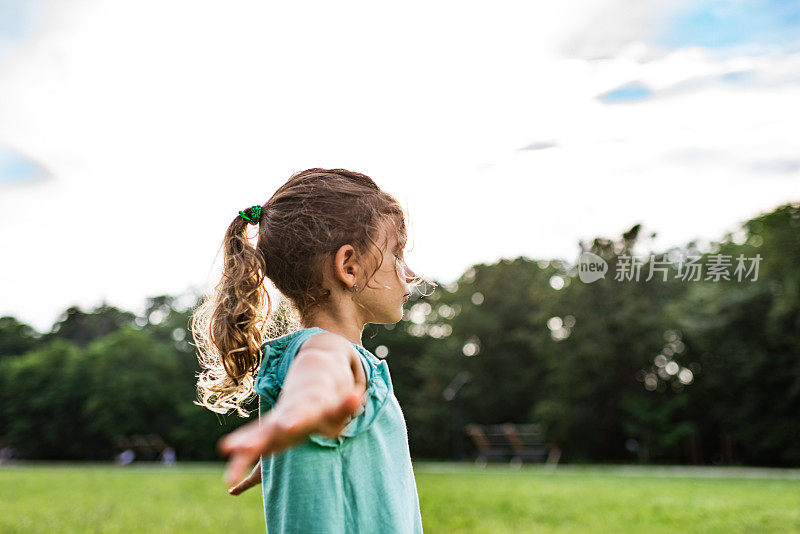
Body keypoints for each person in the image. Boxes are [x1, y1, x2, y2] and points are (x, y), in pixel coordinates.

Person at [191, 168, 430, 533]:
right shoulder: (329, 350)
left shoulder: (294, 356)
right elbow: (321, 371)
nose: (408, 272)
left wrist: (291, 445)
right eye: (396, 253)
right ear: (349, 266)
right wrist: (301, 411)